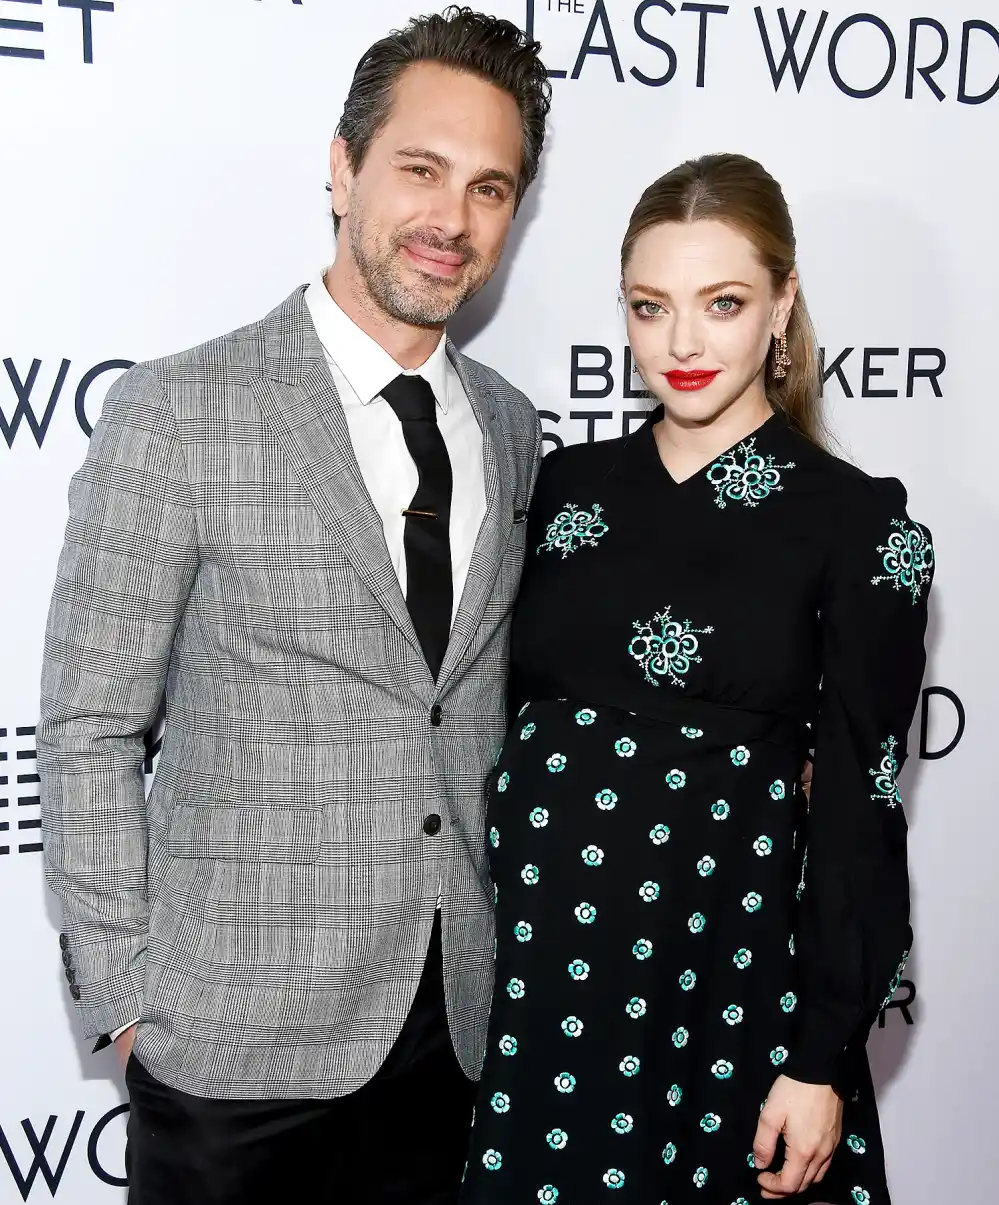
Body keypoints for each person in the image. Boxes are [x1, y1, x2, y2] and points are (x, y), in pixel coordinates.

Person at [37, 9, 550, 1203]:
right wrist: (129, 999)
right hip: (229, 1050)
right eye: (420, 169)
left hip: (454, 1036)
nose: (451, 218)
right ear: (343, 167)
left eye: (489, 188)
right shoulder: (181, 409)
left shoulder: (512, 426)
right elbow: (90, 726)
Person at [460, 153, 933, 1205]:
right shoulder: (562, 487)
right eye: (649, 305)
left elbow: (859, 804)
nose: (681, 343)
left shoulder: (857, 525)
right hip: (539, 1003)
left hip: (727, 1007)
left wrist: (818, 1056)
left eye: (721, 303)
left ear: (781, 304)